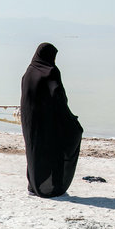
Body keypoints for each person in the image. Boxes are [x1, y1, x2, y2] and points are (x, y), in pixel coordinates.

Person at [20, 42, 83, 198]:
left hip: (31, 123)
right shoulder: (51, 72)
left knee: (34, 152)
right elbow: (58, 96)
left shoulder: (28, 72)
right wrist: (69, 119)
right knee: (56, 150)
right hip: (49, 122)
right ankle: (53, 187)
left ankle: (33, 186)